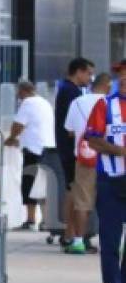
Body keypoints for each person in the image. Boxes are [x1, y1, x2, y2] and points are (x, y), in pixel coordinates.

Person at [86, 67, 126, 283]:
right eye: (121, 76)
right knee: (110, 243)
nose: (123, 79)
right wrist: (119, 151)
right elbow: (92, 139)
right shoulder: (105, 105)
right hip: (111, 181)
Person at [4, 80, 58, 231]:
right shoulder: (44, 103)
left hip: (33, 151)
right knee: (42, 185)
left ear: (23, 91)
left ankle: (31, 219)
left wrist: (11, 138)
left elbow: (18, 125)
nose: (18, 97)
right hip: (47, 149)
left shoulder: (28, 103)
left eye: (19, 94)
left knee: (29, 183)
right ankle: (46, 220)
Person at [64, 72, 108, 255]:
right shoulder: (111, 102)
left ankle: (78, 241)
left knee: (82, 201)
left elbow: (70, 131)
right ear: (107, 85)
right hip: (110, 159)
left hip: (84, 159)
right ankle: (116, 241)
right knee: (113, 203)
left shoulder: (77, 102)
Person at [54, 58, 95, 246]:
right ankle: (70, 233)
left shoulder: (68, 90)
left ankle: (69, 233)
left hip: (67, 147)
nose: (90, 78)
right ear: (78, 71)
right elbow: (72, 127)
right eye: (88, 73)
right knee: (75, 192)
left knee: (73, 190)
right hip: (71, 149)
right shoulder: (71, 92)